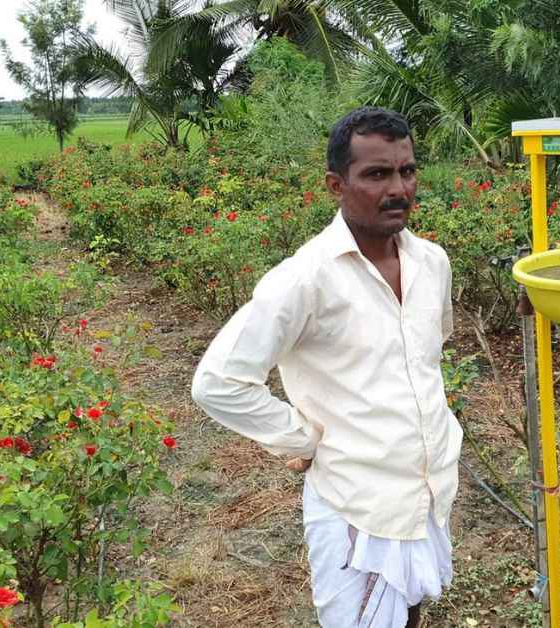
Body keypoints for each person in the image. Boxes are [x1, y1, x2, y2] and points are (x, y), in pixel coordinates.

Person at [191, 106, 460, 627]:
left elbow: (425, 359)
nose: (398, 188)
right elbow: (218, 383)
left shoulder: (432, 263)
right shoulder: (305, 278)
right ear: (337, 184)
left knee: (412, 613)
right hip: (355, 505)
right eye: (377, 174)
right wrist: (302, 439)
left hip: (429, 491)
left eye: (406, 170)